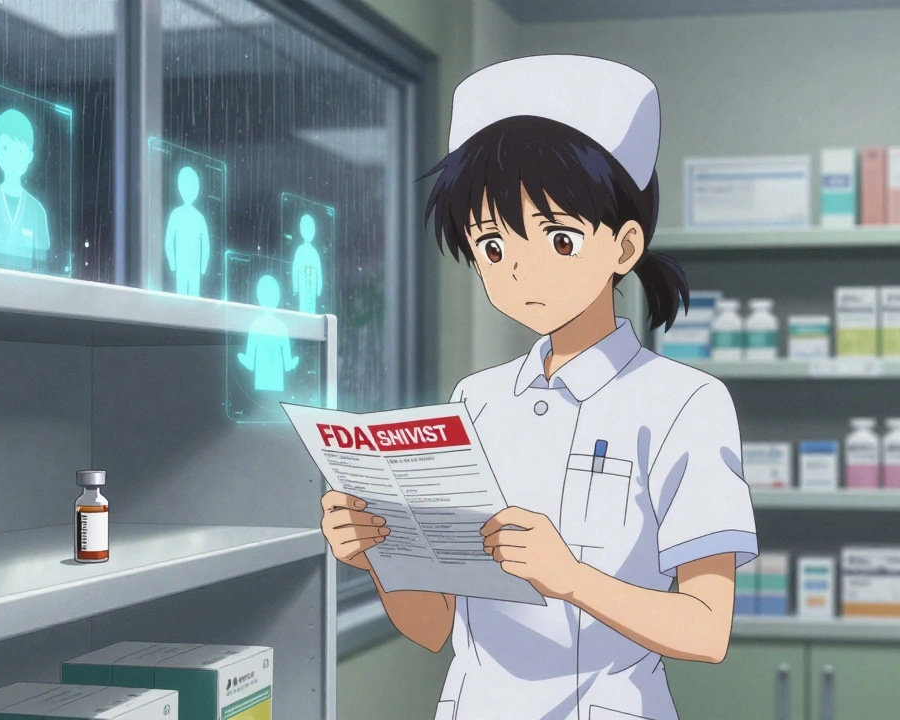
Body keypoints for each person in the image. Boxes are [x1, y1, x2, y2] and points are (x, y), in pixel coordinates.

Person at [320, 55, 757, 720]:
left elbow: (706, 629)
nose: (521, 272)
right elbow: (435, 629)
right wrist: (380, 555)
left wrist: (572, 581)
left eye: (557, 238)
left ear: (624, 245)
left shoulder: (684, 404)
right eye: (493, 246)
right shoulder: (476, 401)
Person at [0, 108, 50, 272]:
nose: (14, 157)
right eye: (7, 148)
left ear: (30, 156)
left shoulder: (37, 211)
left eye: (20, 150)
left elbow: (41, 267)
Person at [238, 274, 299, 392]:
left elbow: (249, 361)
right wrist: (294, 362)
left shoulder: (255, 325)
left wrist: (241, 358)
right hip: (277, 383)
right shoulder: (282, 326)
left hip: (261, 382)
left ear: (259, 297)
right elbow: (288, 363)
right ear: (277, 299)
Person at [165, 166, 211, 296]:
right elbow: (169, 239)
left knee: (194, 298)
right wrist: (172, 263)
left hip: (194, 266)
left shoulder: (199, 217)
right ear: (181, 188)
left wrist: (203, 267)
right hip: (182, 263)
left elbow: (206, 244)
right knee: (182, 297)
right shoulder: (176, 214)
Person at [292, 213, 324, 314]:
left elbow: (319, 271)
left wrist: (295, 288)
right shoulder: (304, 251)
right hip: (307, 284)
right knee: (306, 307)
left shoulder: (306, 251)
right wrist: (296, 287)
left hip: (308, 285)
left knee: (308, 307)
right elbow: (295, 269)